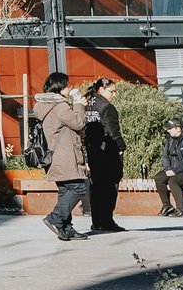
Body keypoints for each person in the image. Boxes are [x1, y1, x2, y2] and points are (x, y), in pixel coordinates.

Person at [34, 71, 91, 242]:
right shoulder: (60, 107)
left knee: (65, 190)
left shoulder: (46, 106)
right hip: (66, 156)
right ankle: (55, 218)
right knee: (79, 188)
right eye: (67, 85)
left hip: (56, 156)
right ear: (60, 87)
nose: (69, 88)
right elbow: (79, 123)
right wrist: (79, 104)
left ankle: (66, 228)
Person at [83, 78, 127, 234]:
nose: (114, 94)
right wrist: (121, 147)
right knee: (110, 186)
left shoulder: (88, 104)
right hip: (108, 151)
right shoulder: (107, 107)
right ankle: (107, 220)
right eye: (111, 91)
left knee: (96, 188)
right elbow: (113, 131)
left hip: (92, 151)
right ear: (101, 89)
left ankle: (97, 221)